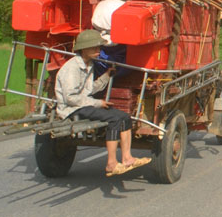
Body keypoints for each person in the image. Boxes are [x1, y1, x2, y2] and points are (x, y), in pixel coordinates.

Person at [55, 29, 151, 177]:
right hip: (71, 109)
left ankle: (127, 158)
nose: (98, 50)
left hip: (83, 104)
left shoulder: (89, 64)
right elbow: (71, 98)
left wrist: (106, 76)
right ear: (84, 49)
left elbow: (89, 89)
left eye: (99, 47)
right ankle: (111, 164)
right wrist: (98, 103)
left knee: (124, 117)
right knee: (114, 118)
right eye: (95, 47)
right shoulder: (72, 68)